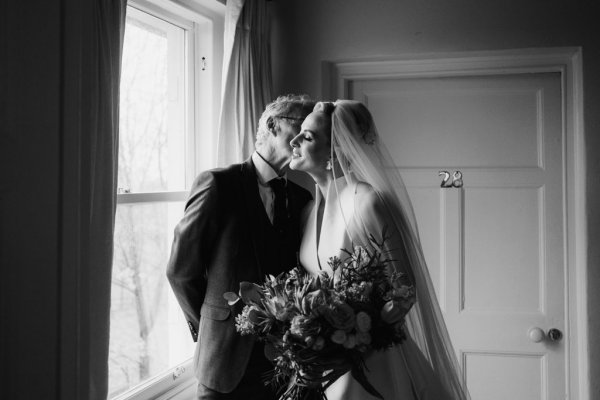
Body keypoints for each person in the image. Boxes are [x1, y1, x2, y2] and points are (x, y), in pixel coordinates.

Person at [289, 100, 471, 399]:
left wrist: (357, 334)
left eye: (307, 137)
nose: (294, 141)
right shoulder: (309, 211)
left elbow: (405, 287)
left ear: (334, 153)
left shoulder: (367, 202)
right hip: (327, 365)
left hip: (374, 362)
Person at [166, 94, 314, 400]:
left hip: (282, 366)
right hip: (224, 365)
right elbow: (181, 271)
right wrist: (215, 325)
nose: (304, 137)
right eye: (300, 126)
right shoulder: (219, 185)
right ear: (273, 125)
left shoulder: (301, 198)